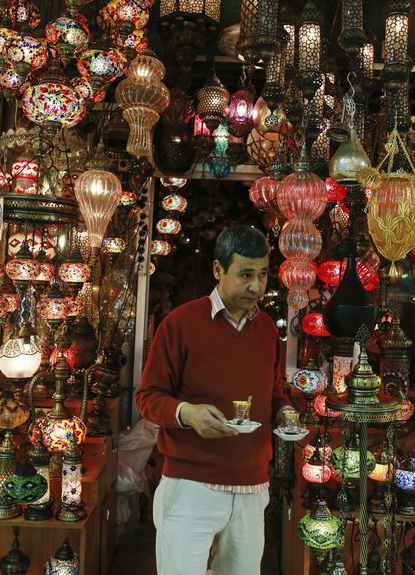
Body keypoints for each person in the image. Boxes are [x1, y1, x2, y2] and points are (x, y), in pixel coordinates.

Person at [135, 224, 294, 575]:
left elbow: (274, 393)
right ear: (218, 270)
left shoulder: (268, 329)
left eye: (263, 275)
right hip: (191, 487)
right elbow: (147, 397)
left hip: (252, 488)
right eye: (245, 275)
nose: (256, 286)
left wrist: (284, 413)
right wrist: (186, 412)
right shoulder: (181, 324)